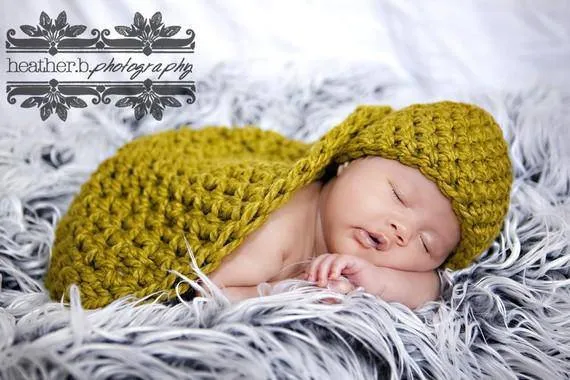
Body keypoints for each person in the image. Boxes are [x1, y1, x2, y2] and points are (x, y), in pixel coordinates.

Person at [44, 101, 513, 310]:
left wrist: (375, 280)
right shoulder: (273, 232)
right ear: (346, 165)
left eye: (427, 243)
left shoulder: (389, 254)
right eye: (398, 196)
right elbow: (204, 293)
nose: (401, 229)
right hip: (152, 190)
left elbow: (431, 288)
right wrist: (292, 292)